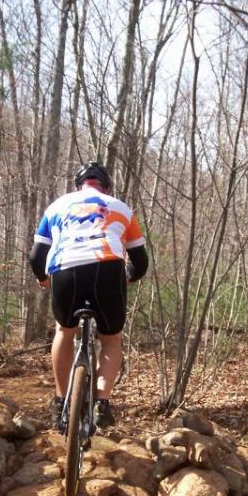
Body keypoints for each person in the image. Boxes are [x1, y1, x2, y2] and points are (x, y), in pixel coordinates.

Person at [29, 161, 148, 428]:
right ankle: (102, 403)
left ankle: (61, 401)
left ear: (77, 185)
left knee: (64, 330)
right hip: (107, 269)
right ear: (105, 186)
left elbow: (36, 256)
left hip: (65, 270)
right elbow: (140, 261)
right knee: (111, 339)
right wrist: (128, 277)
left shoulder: (57, 206)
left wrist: (43, 279)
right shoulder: (120, 208)